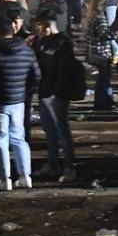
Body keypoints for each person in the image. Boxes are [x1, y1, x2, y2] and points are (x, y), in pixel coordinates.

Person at [0, 16, 41, 190]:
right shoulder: (27, 51)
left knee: (0, 139)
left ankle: (5, 179)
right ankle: (25, 176)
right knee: (19, 139)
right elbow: (36, 76)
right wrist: (26, 92)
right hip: (19, 101)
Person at [32, 12, 79, 184]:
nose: (38, 30)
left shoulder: (62, 42)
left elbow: (64, 69)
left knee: (62, 131)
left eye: (40, 26)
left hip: (57, 94)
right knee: (49, 131)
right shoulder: (40, 41)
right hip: (44, 92)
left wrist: (57, 91)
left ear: (49, 25)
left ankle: (69, 167)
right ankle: (52, 164)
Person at [85, 0, 117, 111]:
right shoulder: (100, 16)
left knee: (101, 80)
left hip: (93, 51)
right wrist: (115, 32)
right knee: (104, 79)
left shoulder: (91, 14)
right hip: (102, 52)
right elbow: (104, 34)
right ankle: (103, 103)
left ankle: (102, 102)